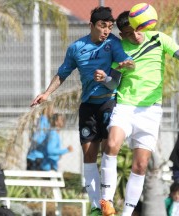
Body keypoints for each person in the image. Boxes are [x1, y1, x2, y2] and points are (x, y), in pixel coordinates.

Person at [30, 6, 134, 215]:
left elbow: (127, 64)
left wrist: (125, 64)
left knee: (108, 150)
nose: (106, 31)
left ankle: (107, 201)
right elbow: (62, 73)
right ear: (91, 26)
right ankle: (96, 207)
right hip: (88, 105)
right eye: (102, 26)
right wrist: (47, 93)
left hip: (108, 102)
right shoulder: (76, 48)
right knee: (89, 156)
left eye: (109, 27)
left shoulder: (112, 43)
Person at [93, 11, 179, 216]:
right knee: (112, 144)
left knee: (140, 166)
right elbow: (113, 82)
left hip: (151, 110)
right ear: (122, 35)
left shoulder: (159, 38)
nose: (135, 36)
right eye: (129, 33)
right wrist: (106, 78)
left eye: (137, 30)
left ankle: (127, 214)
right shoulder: (120, 49)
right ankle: (107, 201)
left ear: (142, 25)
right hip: (125, 105)